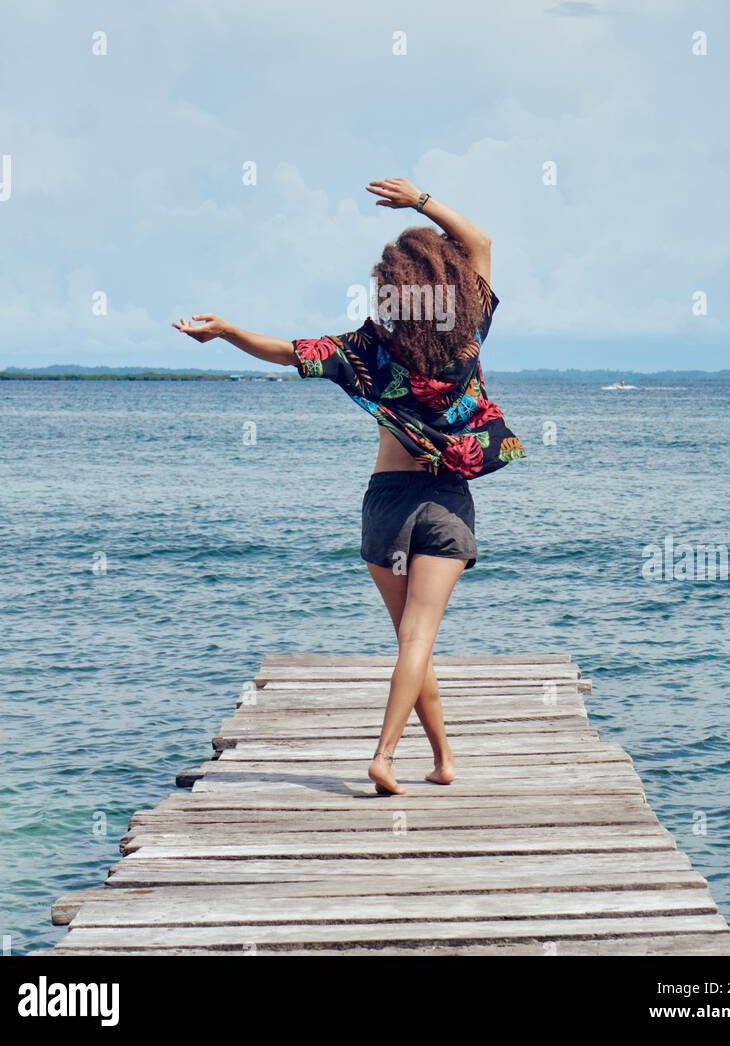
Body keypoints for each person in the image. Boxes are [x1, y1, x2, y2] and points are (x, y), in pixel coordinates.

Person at [173, 177, 526, 794]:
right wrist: (420, 201)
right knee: (419, 639)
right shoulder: (468, 333)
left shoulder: (367, 347)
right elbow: (481, 239)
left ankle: (443, 759)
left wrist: (226, 332)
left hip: (385, 503)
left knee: (411, 641)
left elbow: (287, 352)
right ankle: (384, 756)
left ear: (391, 291)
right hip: (443, 499)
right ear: (446, 283)